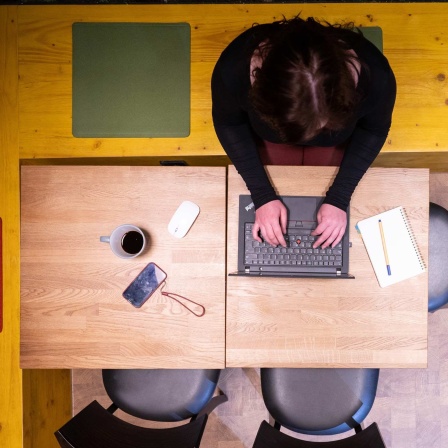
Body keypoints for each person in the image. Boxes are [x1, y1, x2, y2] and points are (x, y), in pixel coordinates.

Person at [211, 15, 396, 250]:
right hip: (271, 140)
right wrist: (261, 196)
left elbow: (374, 129)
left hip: (334, 144)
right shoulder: (233, 68)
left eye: (323, 124)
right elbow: (229, 124)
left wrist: (340, 198)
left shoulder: (377, 77)